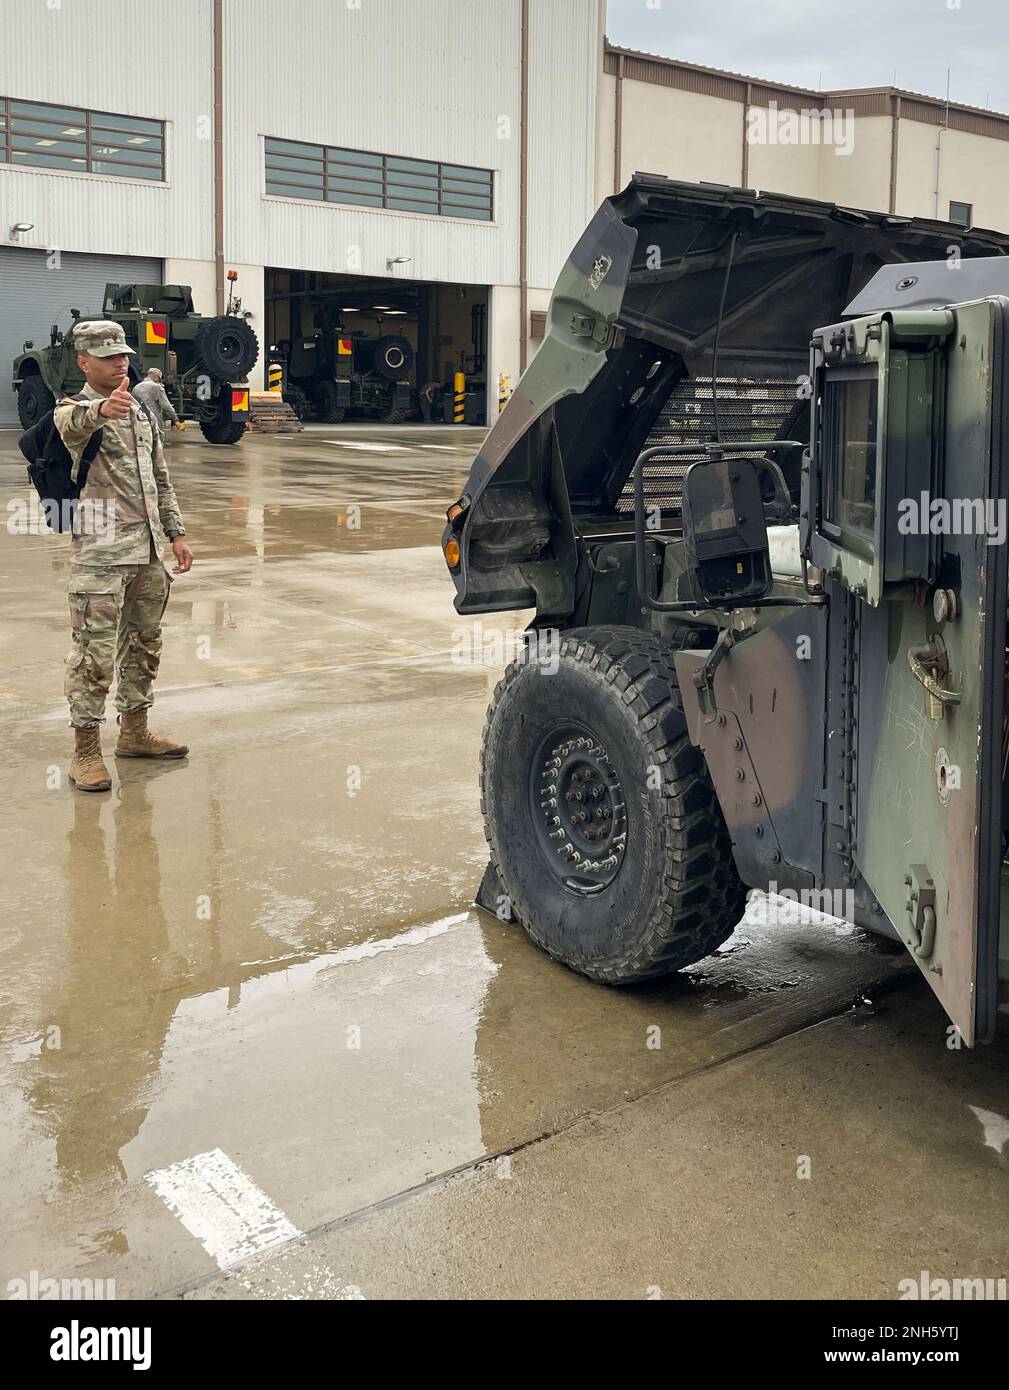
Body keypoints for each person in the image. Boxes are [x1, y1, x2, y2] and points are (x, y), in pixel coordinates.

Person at [54, 320, 194, 793]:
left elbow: (161, 478)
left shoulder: (139, 411)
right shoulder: (72, 410)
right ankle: (85, 750)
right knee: (92, 655)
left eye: (123, 354)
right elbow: (73, 423)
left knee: (144, 645)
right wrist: (99, 409)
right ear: (83, 361)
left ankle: (134, 732)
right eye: (108, 354)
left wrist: (176, 533)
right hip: (100, 557)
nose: (120, 362)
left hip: (149, 551)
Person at [132, 367, 180, 434]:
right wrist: (175, 419)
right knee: (157, 442)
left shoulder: (136, 388)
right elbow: (166, 405)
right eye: (159, 379)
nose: (159, 382)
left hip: (139, 420)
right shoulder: (157, 387)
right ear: (156, 376)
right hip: (154, 421)